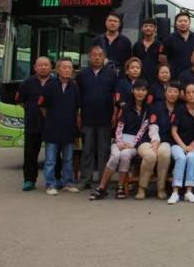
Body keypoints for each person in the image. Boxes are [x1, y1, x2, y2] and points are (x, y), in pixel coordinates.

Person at [89, 79, 150, 200]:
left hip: (135, 143)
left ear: (147, 92)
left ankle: (120, 186)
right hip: (120, 139)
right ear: (133, 91)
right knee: (115, 155)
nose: (140, 92)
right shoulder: (126, 107)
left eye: (143, 90)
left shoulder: (148, 110)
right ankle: (101, 188)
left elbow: (143, 130)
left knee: (125, 155)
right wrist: (119, 142)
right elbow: (120, 126)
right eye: (138, 89)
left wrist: (133, 145)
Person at [77, 46, 118, 190]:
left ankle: (103, 180)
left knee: (104, 150)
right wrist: (78, 114)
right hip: (87, 117)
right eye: (94, 55)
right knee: (87, 149)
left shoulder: (111, 74)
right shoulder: (82, 74)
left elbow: (115, 96)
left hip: (105, 117)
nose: (97, 58)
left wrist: (114, 113)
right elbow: (78, 97)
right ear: (90, 57)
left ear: (104, 57)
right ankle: (85, 179)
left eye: (100, 55)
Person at [39, 58, 81, 195]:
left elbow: (77, 108)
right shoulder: (50, 86)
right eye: (64, 67)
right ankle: (50, 184)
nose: (67, 70)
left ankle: (68, 183)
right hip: (52, 128)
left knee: (68, 159)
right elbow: (43, 107)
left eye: (70, 68)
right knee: (50, 160)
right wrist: (52, 119)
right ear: (57, 70)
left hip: (69, 129)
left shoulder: (74, 86)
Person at [137, 82, 179, 200]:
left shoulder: (180, 108)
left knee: (165, 154)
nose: (172, 94)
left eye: (175, 92)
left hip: (166, 141)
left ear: (179, 94)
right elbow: (153, 124)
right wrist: (155, 140)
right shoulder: (156, 106)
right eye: (169, 91)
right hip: (149, 139)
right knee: (150, 155)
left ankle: (161, 188)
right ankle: (142, 187)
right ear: (165, 93)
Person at [16, 56, 53, 191]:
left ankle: (55, 179)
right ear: (35, 68)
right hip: (32, 122)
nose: (43, 67)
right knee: (30, 153)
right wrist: (31, 110)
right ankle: (29, 180)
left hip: (52, 124)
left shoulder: (55, 82)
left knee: (54, 153)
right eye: (40, 65)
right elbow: (20, 101)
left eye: (46, 65)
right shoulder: (27, 83)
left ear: (51, 67)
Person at [168, 83, 194, 204]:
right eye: (188, 93)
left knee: (192, 157)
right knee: (181, 157)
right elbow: (173, 131)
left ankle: (189, 191)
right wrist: (184, 147)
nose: (191, 95)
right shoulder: (179, 109)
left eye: (193, 92)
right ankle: (175, 192)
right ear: (184, 95)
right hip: (177, 143)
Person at [161, 12, 194, 79]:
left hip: (193, 76)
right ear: (176, 23)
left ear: (189, 22)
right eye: (180, 21)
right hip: (174, 77)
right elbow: (162, 58)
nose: (183, 23)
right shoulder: (169, 39)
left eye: (185, 21)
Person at [92, 11, 132, 75]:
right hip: (101, 75)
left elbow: (128, 62)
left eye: (115, 21)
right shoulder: (97, 40)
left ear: (119, 24)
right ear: (106, 22)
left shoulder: (126, 42)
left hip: (119, 77)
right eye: (110, 21)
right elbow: (92, 58)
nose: (112, 23)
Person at [132, 18, 162, 84]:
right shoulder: (137, 45)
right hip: (139, 80)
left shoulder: (160, 45)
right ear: (142, 28)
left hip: (156, 81)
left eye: (151, 26)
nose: (148, 28)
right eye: (145, 26)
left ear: (155, 29)